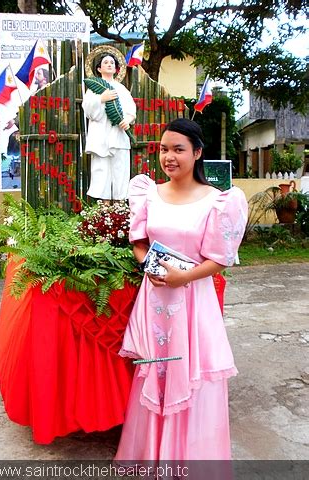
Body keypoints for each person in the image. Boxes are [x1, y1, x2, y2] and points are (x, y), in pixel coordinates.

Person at [114, 118, 248, 462]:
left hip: (191, 301)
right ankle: (153, 455)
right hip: (155, 299)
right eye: (163, 149)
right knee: (155, 373)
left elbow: (219, 259)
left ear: (197, 152)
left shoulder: (217, 201)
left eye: (178, 149)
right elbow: (140, 244)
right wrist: (149, 266)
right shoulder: (149, 193)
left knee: (190, 375)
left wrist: (182, 278)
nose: (168, 157)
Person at [82, 53, 136, 201]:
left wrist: (127, 119)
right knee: (101, 172)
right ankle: (104, 209)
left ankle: (119, 207)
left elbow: (131, 110)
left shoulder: (122, 89)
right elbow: (88, 111)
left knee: (120, 171)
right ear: (99, 68)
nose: (109, 64)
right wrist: (101, 99)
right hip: (101, 136)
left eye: (112, 62)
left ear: (116, 69)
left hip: (118, 135)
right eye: (105, 62)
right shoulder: (93, 88)